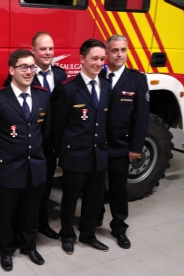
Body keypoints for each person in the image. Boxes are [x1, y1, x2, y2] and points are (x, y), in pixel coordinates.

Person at [0, 49, 51, 271]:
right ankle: (7, 249)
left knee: (32, 210)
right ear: (12, 70)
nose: (29, 71)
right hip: (9, 167)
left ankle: (29, 245)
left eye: (32, 67)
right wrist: (2, 161)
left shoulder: (42, 95)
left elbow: (45, 132)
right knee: (6, 214)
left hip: (35, 166)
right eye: (23, 67)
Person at [52, 39, 111, 255]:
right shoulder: (67, 89)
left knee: (94, 199)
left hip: (98, 154)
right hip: (75, 155)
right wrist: (61, 155)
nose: (98, 63)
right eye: (94, 58)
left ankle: (88, 235)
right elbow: (57, 127)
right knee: (69, 198)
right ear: (82, 59)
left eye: (102, 59)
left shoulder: (106, 86)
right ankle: (67, 235)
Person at [99, 35, 149, 249]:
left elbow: (142, 116)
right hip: (98, 145)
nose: (119, 54)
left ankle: (119, 227)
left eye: (123, 50)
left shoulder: (136, 79)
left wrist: (136, 147)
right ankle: (93, 220)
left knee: (118, 189)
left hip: (121, 146)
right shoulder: (98, 75)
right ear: (106, 54)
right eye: (114, 50)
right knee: (95, 188)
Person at [31, 31, 67, 240]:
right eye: (43, 48)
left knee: (46, 187)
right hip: (32, 142)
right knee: (31, 188)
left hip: (51, 144)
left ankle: (42, 223)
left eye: (50, 49)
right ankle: (26, 226)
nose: (47, 53)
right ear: (33, 50)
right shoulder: (24, 73)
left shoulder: (61, 76)